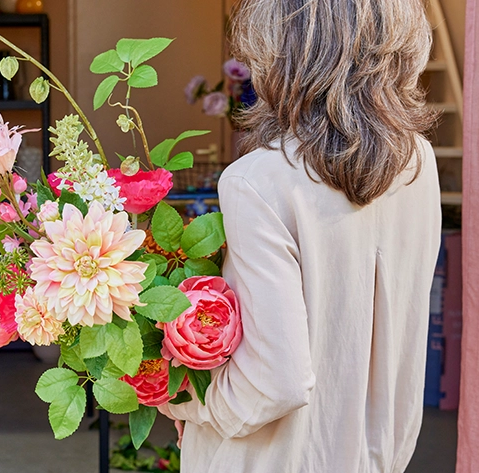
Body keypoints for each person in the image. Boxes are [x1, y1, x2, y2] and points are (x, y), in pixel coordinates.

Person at [159, 1, 442, 471]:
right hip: (379, 456)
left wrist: (182, 400)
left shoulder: (258, 181)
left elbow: (275, 382)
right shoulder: (419, 163)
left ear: (279, 52)